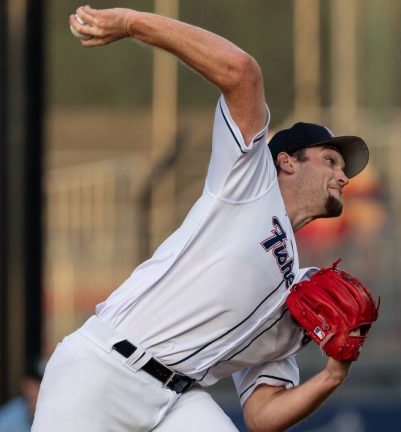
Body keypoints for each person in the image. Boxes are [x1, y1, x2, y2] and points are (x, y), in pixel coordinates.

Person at [33, 5, 371, 431]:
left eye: (344, 168)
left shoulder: (299, 298)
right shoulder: (250, 183)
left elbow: (262, 417)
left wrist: (332, 375)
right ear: (286, 161)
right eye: (331, 160)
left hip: (176, 400)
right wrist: (132, 24)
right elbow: (242, 72)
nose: (343, 175)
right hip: (103, 372)